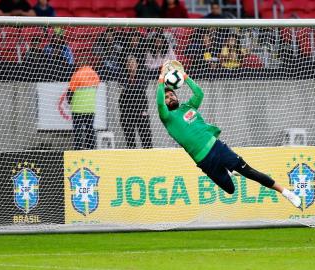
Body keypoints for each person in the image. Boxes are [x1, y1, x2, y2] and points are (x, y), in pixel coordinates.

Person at [156, 62, 302, 209]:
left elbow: (199, 93)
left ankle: (286, 192)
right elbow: (160, 104)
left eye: (172, 94)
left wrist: (185, 76)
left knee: (249, 172)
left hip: (217, 147)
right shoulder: (167, 118)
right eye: (167, 97)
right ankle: (228, 171)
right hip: (204, 161)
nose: (170, 97)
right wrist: (161, 79)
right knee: (230, 190)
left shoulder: (188, 106)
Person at [119, 55, 153, 149]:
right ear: (126, 65)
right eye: (129, 63)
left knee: (146, 138)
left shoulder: (142, 75)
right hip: (126, 111)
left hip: (141, 110)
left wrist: (129, 89)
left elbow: (142, 88)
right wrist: (132, 89)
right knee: (130, 141)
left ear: (137, 64)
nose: (131, 65)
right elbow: (124, 89)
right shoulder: (122, 76)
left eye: (133, 63)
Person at [66, 60, 100, 150]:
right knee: (90, 129)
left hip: (78, 108)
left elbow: (70, 91)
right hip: (90, 108)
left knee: (78, 130)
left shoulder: (77, 75)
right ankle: (91, 148)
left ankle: (78, 149)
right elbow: (95, 89)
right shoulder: (95, 75)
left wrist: (69, 101)